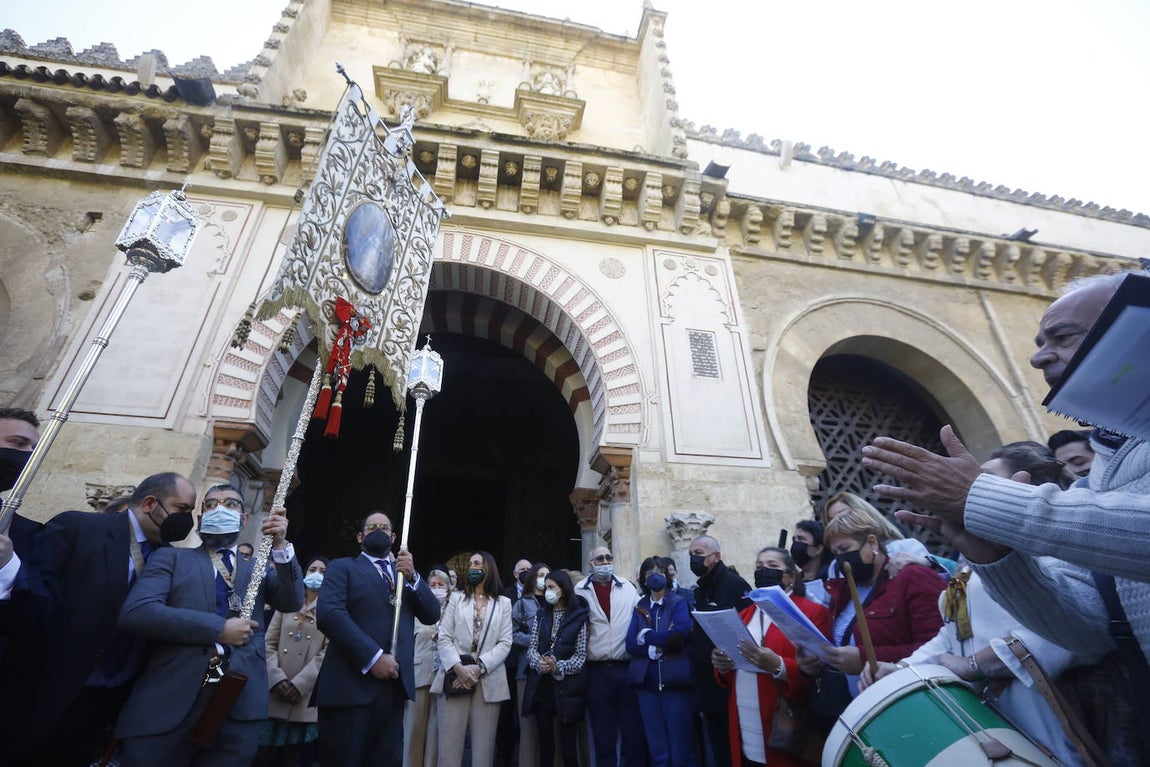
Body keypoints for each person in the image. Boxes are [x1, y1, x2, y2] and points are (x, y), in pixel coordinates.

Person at [860, 447, 1093, 767]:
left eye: (984, 480)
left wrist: (973, 665)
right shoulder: (969, 561)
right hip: (991, 724)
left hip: (1052, 722)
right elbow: (952, 632)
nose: (970, 488)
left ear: (1028, 488)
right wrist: (903, 670)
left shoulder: (1051, 544)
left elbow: (1074, 627)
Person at [5, 471, 198, 766]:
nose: (187, 520)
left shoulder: (172, 559)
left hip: (107, 701)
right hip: (45, 690)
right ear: (149, 503)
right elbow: (30, 597)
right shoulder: (78, 528)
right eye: (182, 509)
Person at [114, 484, 305, 766]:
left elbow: (291, 600)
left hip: (239, 702)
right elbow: (138, 612)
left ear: (245, 518)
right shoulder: (172, 558)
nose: (220, 509)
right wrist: (218, 629)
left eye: (231, 504)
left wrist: (281, 547)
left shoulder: (259, 568)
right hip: (170, 698)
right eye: (211, 504)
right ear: (201, 519)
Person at [798, 506, 945, 730]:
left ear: (873, 543)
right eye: (836, 554)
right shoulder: (844, 590)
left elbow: (940, 648)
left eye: (846, 549)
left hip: (910, 708)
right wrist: (818, 662)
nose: (842, 560)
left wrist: (866, 658)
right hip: (861, 713)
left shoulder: (913, 577)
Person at [313, 512, 441, 767]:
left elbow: (431, 614)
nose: (379, 531)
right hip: (349, 687)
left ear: (394, 537)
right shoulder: (343, 567)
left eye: (385, 528)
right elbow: (330, 615)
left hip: (392, 692)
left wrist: (414, 577)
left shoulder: (404, 576)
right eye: (372, 527)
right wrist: (373, 657)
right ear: (360, 536)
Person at [712, 547, 831, 767]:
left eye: (772, 566)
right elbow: (731, 668)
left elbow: (820, 672)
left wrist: (778, 666)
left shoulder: (812, 613)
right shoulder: (744, 614)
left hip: (783, 724)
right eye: (759, 567)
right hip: (744, 722)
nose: (764, 570)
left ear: (792, 576)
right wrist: (721, 665)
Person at [433, 550, 514, 767]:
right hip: (454, 678)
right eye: (470, 564)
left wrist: (478, 668)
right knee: (448, 749)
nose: (471, 568)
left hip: (488, 681)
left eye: (476, 563)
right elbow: (444, 637)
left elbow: (506, 642)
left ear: (488, 568)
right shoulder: (457, 599)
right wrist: (458, 668)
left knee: (483, 752)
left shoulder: (504, 603)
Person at [257, 555, 330, 767]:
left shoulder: (330, 609)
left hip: (304, 696)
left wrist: (300, 684)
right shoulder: (286, 604)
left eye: (323, 571)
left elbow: (326, 653)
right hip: (275, 691)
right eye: (313, 569)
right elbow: (268, 642)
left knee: (294, 757)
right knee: (262, 754)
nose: (317, 574)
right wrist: (276, 678)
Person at [575, 545, 644, 767]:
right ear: (590, 564)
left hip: (626, 667)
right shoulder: (579, 590)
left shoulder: (628, 589)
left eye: (608, 557)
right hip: (596, 670)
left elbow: (641, 618)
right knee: (603, 732)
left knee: (632, 730)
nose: (605, 562)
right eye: (599, 559)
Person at [626, 556, 697, 767]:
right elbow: (630, 643)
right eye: (649, 574)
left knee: (681, 749)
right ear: (643, 579)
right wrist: (654, 647)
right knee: (658, 751)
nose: (655, 577)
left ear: (666, 575)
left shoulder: (678, 602)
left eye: (659, 572)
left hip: (675, 681)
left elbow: (681, 633)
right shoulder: (640, 605)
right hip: (646, 684)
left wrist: (647, 636)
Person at [688, 534, 751, 767]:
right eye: (691, 554)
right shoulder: (700, 589)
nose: (694, 559)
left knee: (734, 747)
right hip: (706, 681)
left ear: (716, 556)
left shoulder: (734, 585)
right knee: (717, 746)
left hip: (729, 680)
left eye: (699, 554)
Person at [524, 569, 591, 767]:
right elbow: (532, 648)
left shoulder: (578, 617)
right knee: (545, 746)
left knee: (569, 748)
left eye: (552, 587)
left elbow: (580, 657)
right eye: (547, 587)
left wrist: (557, 667)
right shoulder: (541, 615)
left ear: (563, 590)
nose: (548, 591)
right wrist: (540, 664)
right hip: (542, 688)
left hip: (567, 690)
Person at [405, 566, 450, 767]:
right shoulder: (415, 609)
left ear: (448, 588)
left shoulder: (453, 611)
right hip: (419, 673)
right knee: (413, 728)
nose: (437, 588)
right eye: (433, 585)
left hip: (443, 675)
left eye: (441, 585)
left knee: (437, 730)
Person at [512, 561, 550, 767]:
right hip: (526, 670)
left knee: (552, 726)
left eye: (548, 575)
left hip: (553, 671)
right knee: (527, 726)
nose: (544, 578)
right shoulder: (522, 604)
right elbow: (512, 634)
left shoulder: (556, 602)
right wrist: (536, 639)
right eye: (541, 574)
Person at [496, 557, 532, 766]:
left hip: (528, 663)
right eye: (522, 570)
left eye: (529, 569)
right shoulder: (505, 596)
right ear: (515, 574)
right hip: (507, 661)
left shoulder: (542, 594)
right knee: (506, 712)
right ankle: (503, 755)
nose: (526, 572)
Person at [790, 519, 830, 606]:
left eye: (801, 539)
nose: (796, 544)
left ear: (818, 549)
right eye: (794, 540)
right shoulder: (794, 581)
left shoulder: (831, 579)